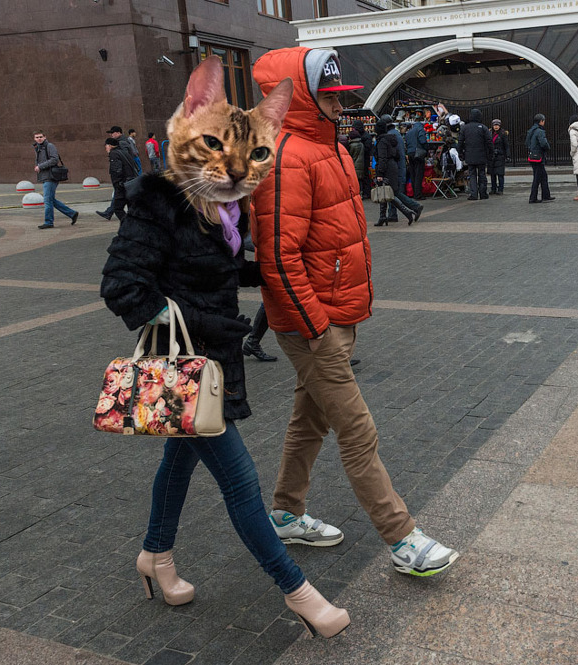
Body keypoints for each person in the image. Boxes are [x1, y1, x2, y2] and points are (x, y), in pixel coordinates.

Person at [100, 55, 348, 638]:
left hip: (215, 362)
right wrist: (181, 323)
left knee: (179, 463)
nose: (234, 167)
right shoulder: (161, 199)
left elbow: (209, 274)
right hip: (186, 366)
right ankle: (300, 594)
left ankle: (155, 557)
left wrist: (268, 272)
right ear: (186, 120)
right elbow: (121, 285)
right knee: (240, 483)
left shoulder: (222, 209)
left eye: (255, 154)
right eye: (214, 146)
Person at [251, 46, 459, 577]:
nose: (339, 105)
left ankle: (284, 513)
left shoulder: (331, 147)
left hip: (335, 313)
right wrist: (317, 327)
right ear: (299, 95)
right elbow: (277, 255)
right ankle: (401, 537)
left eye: (341, 95)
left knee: (309, 422)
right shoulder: (287, 155)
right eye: (327, 94)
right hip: (313, 323)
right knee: (357, 429)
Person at [374, 115, 422, 225]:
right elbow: (397, 154)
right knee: (389, 192)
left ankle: (411, 210)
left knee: (391, 193)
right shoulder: (394, 136)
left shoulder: (383, 140)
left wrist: (380, 172)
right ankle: (387, 216)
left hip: (388, 169)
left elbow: (382, 157)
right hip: (394, 167)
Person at [32, 130, 78, 229]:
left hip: (51, 176)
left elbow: (54, 159)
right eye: (37, 137)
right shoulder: (37, 147)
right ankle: (72, 213)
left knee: (47, 200)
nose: (39, 139)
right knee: (51, 199)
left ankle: (49, 222)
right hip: (45, 176)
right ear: (34, 139)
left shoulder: (49, 146)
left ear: (44, 137)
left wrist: (40, 166)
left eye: (40, 137)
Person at [98, 126, 141, 219]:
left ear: (118, 133)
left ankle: (126, 224)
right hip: (128, 180)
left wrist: (118, 183)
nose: (111, 135)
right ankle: (111, 213)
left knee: (119, 206)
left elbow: (118, 169)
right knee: (128, 205)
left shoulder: (120, 145)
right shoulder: (123, 144)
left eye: (112, 133)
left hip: (124, 181)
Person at [457, 108, 489, 201]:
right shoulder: (483, 127)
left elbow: (460, 142)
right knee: (482, 174)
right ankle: (483, 193)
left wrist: (461, 153)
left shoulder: (465, 128)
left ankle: (473, 194)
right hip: (481, 155)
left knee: (472, 174)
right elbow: (489, 141)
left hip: (469, 155)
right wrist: (489, 153)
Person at [105, 137, 138, 222]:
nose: (105, 148)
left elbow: (117, 170)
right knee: (131, 209)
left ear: (110, 146)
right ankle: (134, 226)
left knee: (118, 209)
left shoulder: (114, 154)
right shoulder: (124, 152)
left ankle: (128, 227)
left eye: (106, 146)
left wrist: (117, 184)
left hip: (122, 185)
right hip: (131, 184)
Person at [527, 113, 553, 203]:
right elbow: (544, 143)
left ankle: (546, 195)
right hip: (538, 157)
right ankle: (533, 197)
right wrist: (548, 148)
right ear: (541, 121)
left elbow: (527, 143)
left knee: (542, 176)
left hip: (532, 156)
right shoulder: (540, 131)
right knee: (538, 178)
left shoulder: (531, 131)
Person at [404, 119, 429, 200]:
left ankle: (415, 193)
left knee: (413, 174)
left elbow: (406, 143)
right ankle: (418, 195)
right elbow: (423, 141)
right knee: (419, 174)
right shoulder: (420, 129)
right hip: (418, 153)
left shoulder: (409, 132)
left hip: (410, 153)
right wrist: (426, 149)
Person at [352, 119, 373, 199]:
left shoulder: (364, 137)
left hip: (363, 160)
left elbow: (367, 149)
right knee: (365, 176)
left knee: (365, 177)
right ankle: (366, 192)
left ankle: (366, 192)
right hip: (364, 159)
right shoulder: (366, 136)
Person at [487, 118, 508, 196]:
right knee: (492, 174)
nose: (496, 127)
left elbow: (506, 145)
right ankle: (493, 188)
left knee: (500, 174)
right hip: (492, 156)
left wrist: (507, 155)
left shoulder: (503, 134)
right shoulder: (489, 133)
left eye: (497, 125)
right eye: (494, 125)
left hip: (500, 156)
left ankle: (500, 189)